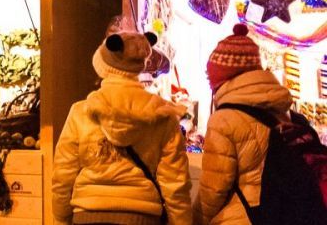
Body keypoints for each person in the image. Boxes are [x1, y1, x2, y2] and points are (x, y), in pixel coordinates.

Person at [52, 30, 192, 225]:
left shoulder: (81, 112)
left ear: (102, 66)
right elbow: (175, 182)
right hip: (141, 215)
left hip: (87, 213)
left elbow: (63, 173)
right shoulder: (162, 115)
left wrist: (61, 216)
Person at [193, 24, 324, 223]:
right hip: (288, 214)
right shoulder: (288, 114)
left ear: (222, 76)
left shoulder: (224, 119)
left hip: (247, 216)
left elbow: (213, 189)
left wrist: (194, 220)